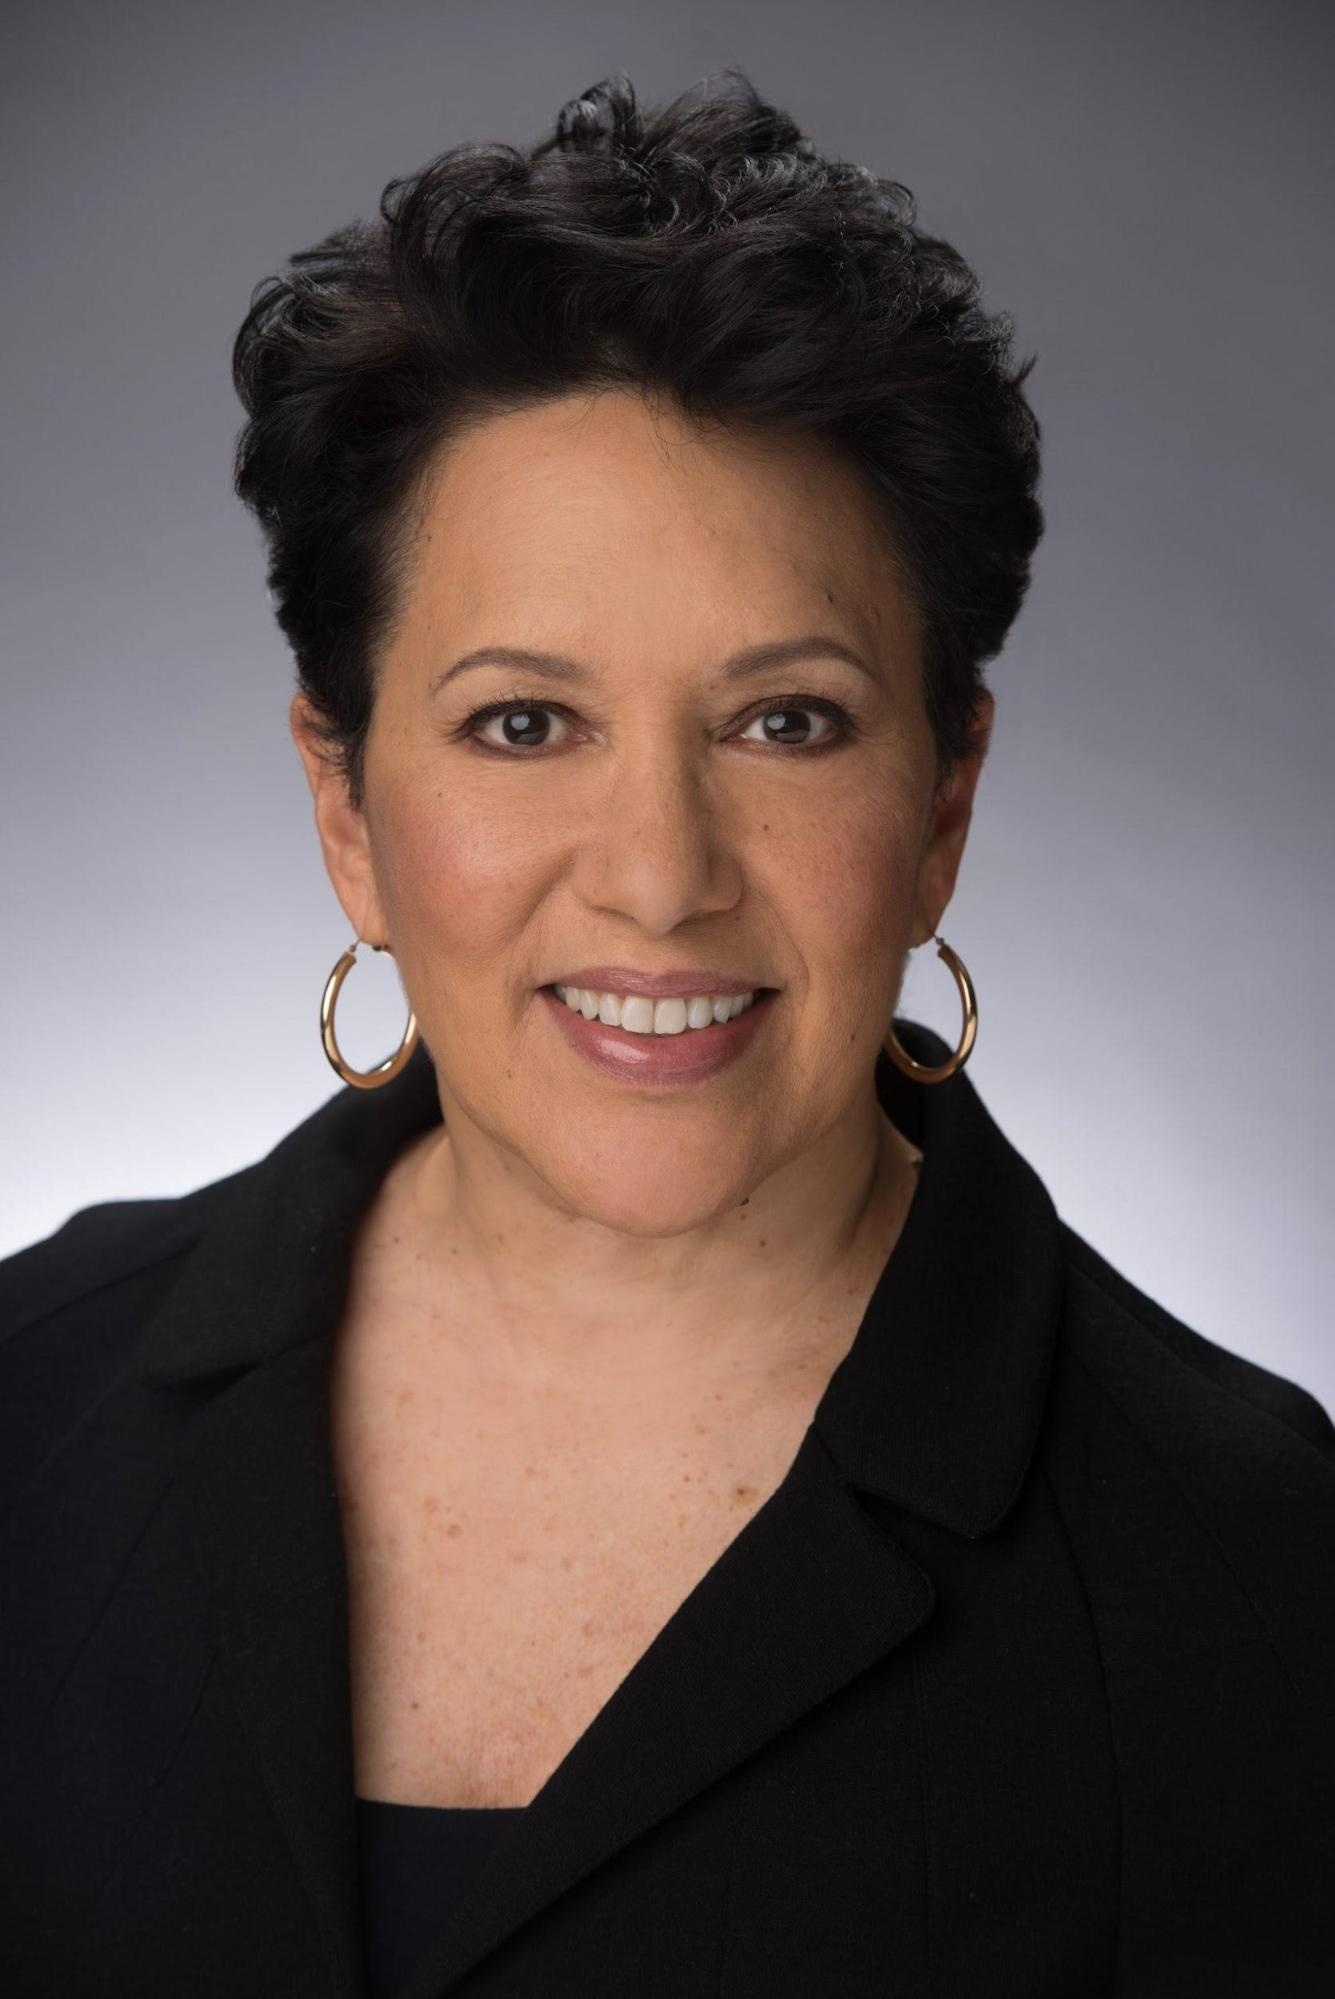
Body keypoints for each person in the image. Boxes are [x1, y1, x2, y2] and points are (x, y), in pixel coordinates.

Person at [2, 65, 1332, 1999]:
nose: (658, 876)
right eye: (524, 723)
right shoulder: (29, 1410)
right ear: (348, 809)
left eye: (785, 721)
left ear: (945, 804)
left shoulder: (1255, 1590)